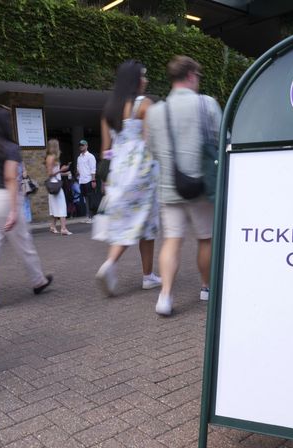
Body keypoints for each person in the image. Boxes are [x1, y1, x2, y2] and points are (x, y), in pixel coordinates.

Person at [145, 56, 222, 316]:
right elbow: (223, 139)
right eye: (198, 76)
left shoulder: (155, 111)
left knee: (172, 241)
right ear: (190, 75)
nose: (199, 81)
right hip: (202, 185)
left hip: (169, 187)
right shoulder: (207, 104)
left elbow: (152, 150)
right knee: (205, 239)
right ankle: (205, 288)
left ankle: (165, 296)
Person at [0, 107, 53, 312]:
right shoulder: (9, 147)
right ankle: (38, 280)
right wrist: (13, 210)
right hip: (3, 199)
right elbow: (10, 177)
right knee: (23, 243)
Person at [95, 60, 161, 296]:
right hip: (141, 171)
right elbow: (152, 141)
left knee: (129, 221)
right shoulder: (145, 105)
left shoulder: (109, 109)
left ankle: (141, 274)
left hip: (118, 172)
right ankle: (122, 267)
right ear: (135, 80)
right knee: (145, 222)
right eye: (143, 76)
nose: (146, 79)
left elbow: (106, 151)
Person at [46, 139, 72, 235]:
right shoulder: (51, 157)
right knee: (61, 205)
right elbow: (49, 174)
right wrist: (61, 170)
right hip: (54, 186)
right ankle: (63, 228)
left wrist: (64, 173)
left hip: (55, 183)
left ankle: (52, 226)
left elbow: (55, 173)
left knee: (54, 207)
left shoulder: (52, 157)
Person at [76, 139, 97, 222]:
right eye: (80, 145)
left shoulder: (90, 156)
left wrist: (93, 180)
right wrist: (77, 173)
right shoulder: (79, 157)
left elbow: (93, 169)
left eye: (83, 145)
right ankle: (89, 216)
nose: (81, 146)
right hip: (82, 181)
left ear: (86, 146)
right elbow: (78, 169)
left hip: (89, 180)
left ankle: (93, 217)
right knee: (86, 199)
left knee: (91, 199)